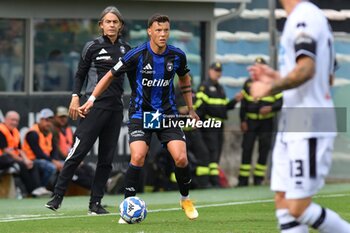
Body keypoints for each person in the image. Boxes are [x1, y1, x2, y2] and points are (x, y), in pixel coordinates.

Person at [79, 14, 199, 222]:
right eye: (158, 30)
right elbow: (109, 76)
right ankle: (128, 207)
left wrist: (191, 108)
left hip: (167, 114)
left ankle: (185, 198)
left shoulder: (177, 55)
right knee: (138, 157)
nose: (163, 34)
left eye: (166, 30)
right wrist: (91, 99)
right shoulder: (136, 55)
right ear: (149, 32)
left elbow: (185, 77)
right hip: (140, 114)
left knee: (181, 158)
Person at [249, 1, 350, 232]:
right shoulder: (299, 18)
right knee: (283, 202)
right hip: (292, 121)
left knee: (298, 207)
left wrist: (270, 86)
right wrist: (276, 75)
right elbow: (326, 76)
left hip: (309, 120)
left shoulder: (304, 17)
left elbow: (307, 69)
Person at [46, 6, 131, 215]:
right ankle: (57, 196)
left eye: (115, 22)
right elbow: (80, 75)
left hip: (115, 109)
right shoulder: (91, 47)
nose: (111, 25)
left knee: (106, 159)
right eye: (108, 21)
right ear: (101, 25)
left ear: (120, 26)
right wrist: (75, 97)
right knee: (77, 152)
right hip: (92, 107)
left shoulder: (127, 49)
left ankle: (95, 203)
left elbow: (134, 81)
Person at [195, 62, 242, 187]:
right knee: (211, 151)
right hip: (209, 123)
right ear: (210, 71)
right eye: (215, 70)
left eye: (219, 71)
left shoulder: (220, 88)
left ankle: (213, 180)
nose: (218, 73)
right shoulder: (204, 86)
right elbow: (199, 106)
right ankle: (211, 181)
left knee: (216, 152)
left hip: (219, 124)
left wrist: (235, 100)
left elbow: (225, 107)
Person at [238, 57, 283, 187]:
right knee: (247, 149)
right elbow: (244, 104)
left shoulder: (273, 83)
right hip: (251, 121)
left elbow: (280, 102)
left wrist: (271, 108)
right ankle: (243, 180)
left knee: (264, 149)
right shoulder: (248, 83)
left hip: (266, 122)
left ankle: (258, 178)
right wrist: (243, 120)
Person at [0, 111, 47, 197]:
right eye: (12, 120)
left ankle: (38, 188)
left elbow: (20, 150)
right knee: (21, 164)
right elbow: (6, 151)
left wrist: (26, 160)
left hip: (12, 159)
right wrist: (22, 160)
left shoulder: (15, 131)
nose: (14, 122)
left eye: (16, 120)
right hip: (3, 159)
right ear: (5, 119)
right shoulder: (1, 129)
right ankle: (31, 190)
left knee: (33, 164)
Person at [22, 108, 62, 188]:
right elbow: (38, 153)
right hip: (32, 159)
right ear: (40, 120)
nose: (49, 123)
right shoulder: (33, 133)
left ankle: (55, 190)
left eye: (51, 121)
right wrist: (53, 161)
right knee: (51, 167)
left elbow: (54, 150)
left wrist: (56, 161)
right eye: (46, 120)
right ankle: (42, 188)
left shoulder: (49, 133)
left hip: (45, 159)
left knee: (64, 166)